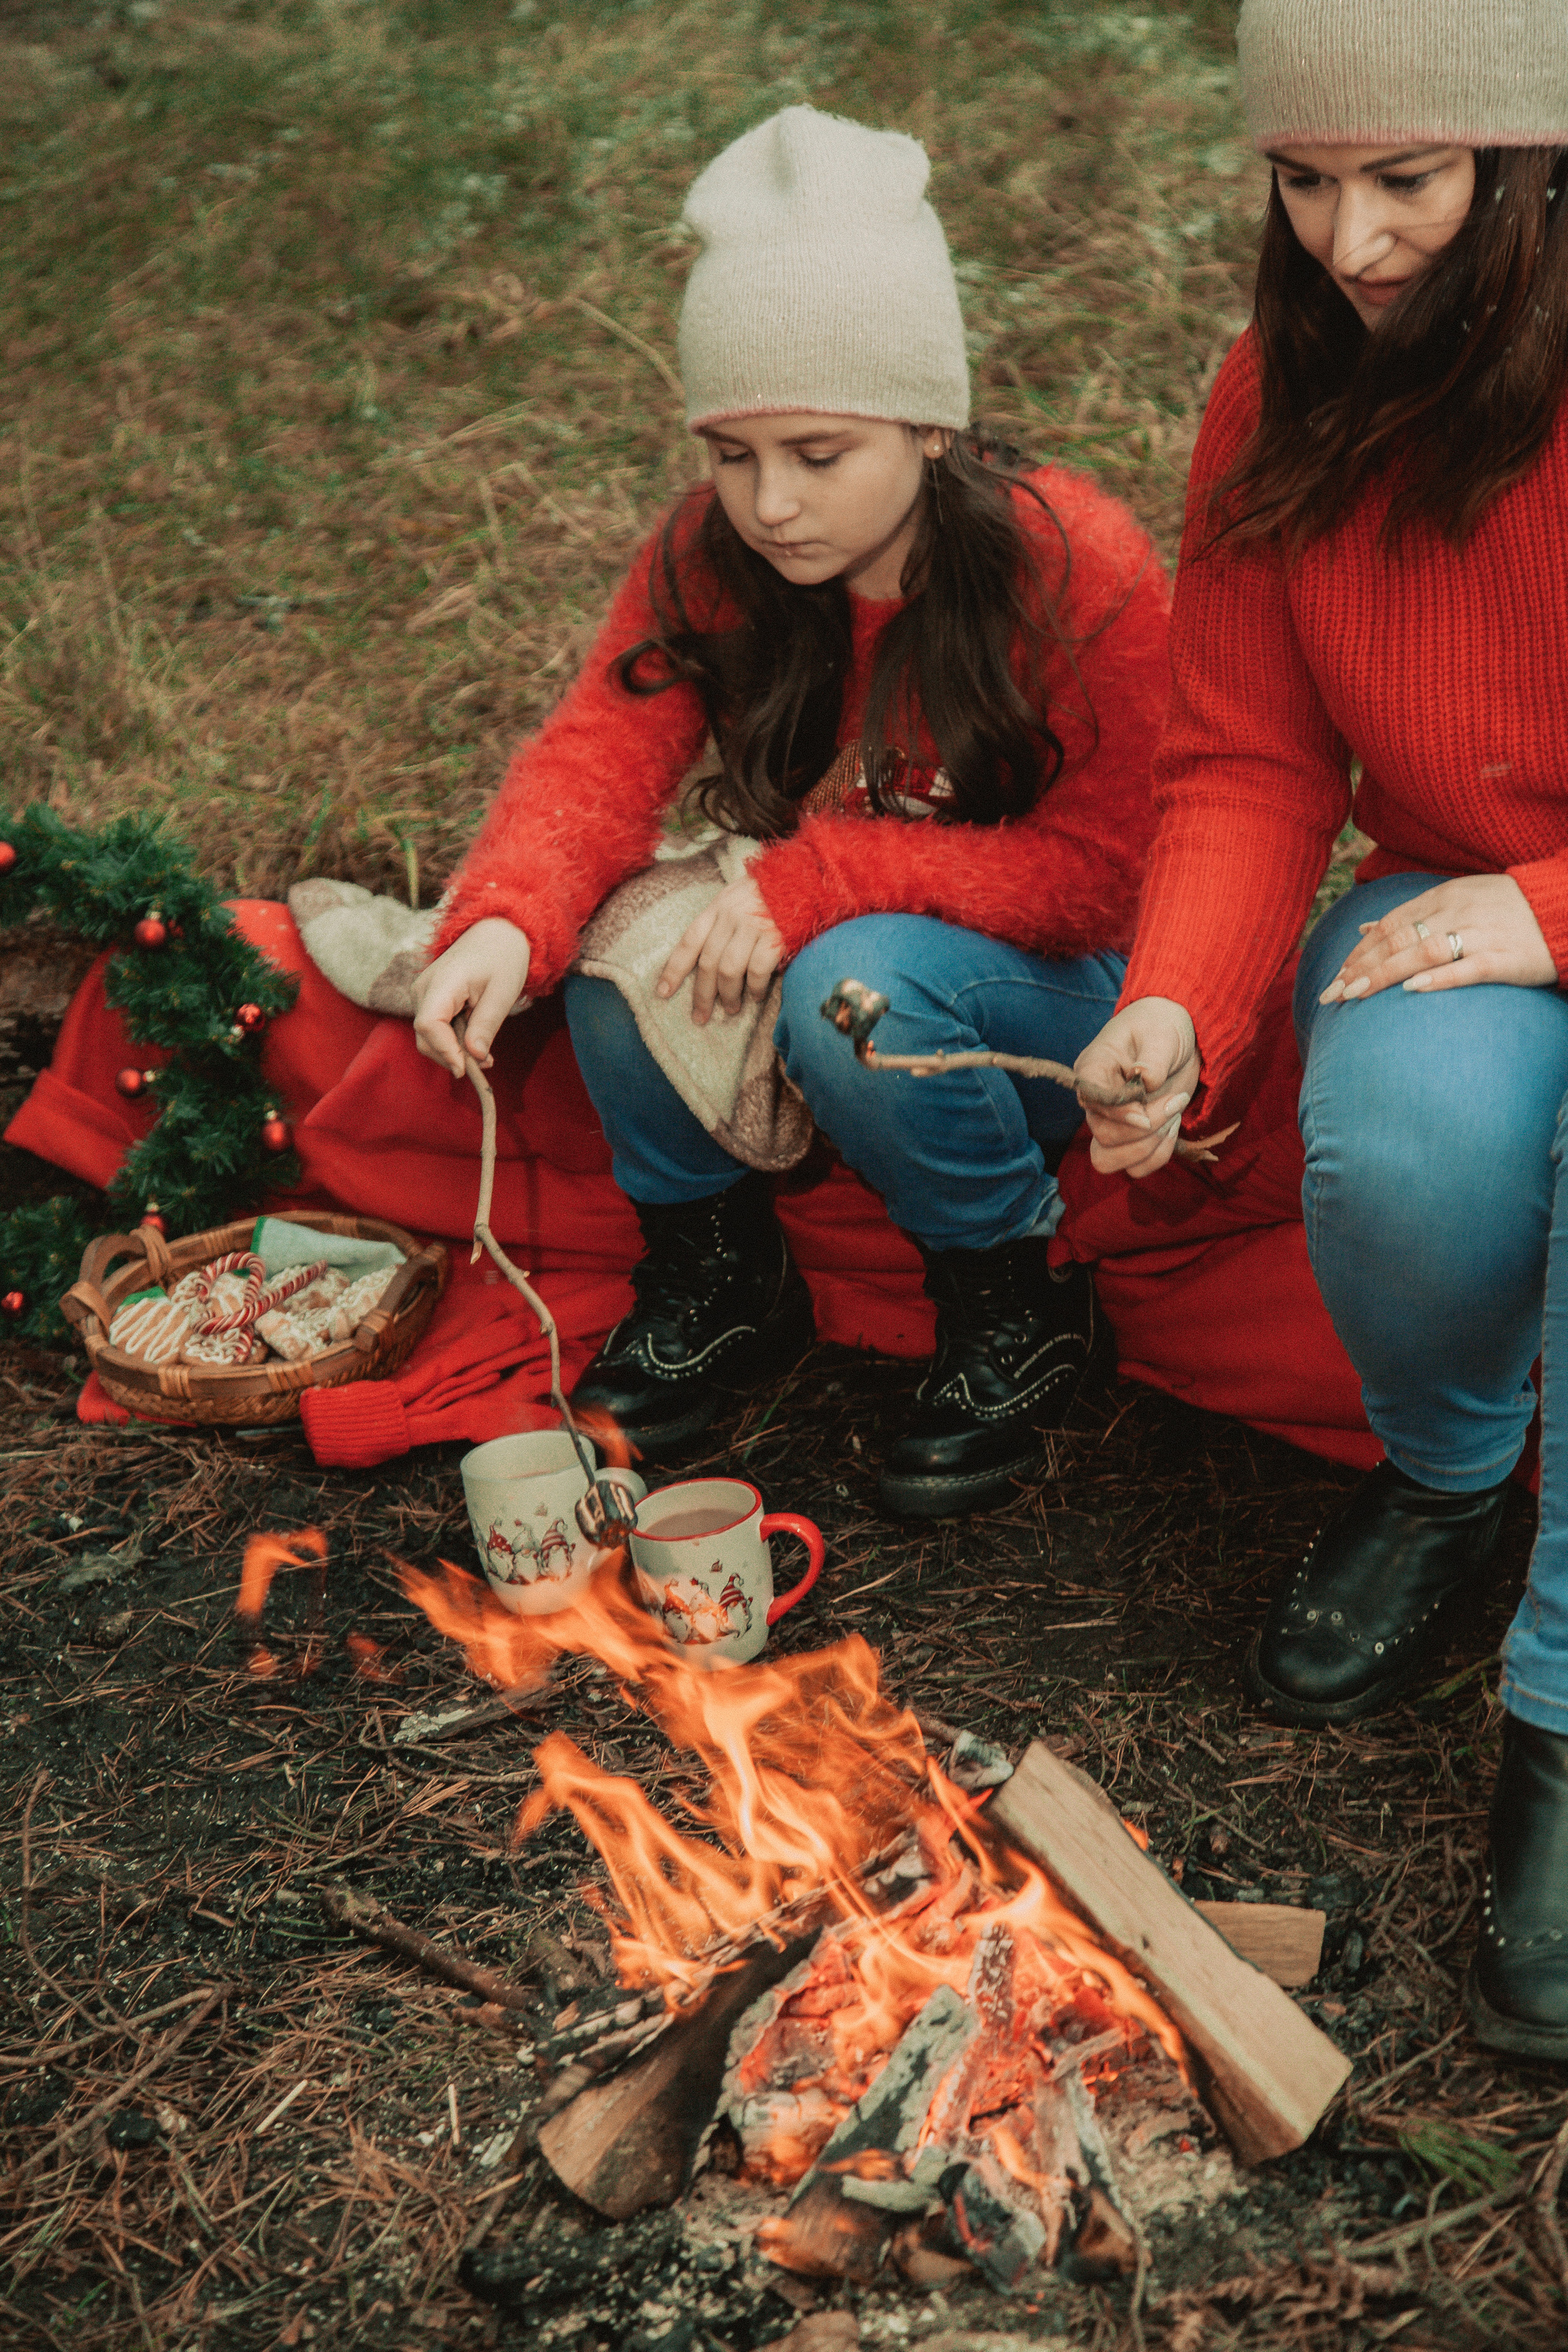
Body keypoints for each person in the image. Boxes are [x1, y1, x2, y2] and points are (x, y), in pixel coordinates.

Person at [413, 104, 1170, 1518]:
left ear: (927, 420)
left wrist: (820, 882)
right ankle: (717, 1271)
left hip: (1057, 992)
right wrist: (506, 920)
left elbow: (1109, 880)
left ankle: (1011, 1289)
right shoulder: (714, 554)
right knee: (616, 939)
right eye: (730, 453)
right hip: (849, 927)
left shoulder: (1076, 569)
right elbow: (596, 751)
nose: (768, 503)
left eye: (819, 454)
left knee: (848, 988)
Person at [1073, 0, 1568, 2057]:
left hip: (1519, 899)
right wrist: (1175, 1003)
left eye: (1408, 181)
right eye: (1306, 177)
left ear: (1525, 175)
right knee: (1399, 1150)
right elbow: (1252, 758)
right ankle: (1456, 1475)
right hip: (1447, 912)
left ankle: (1559, 1720)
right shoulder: (1275, 396)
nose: (1350, 237)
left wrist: (1540, 907)